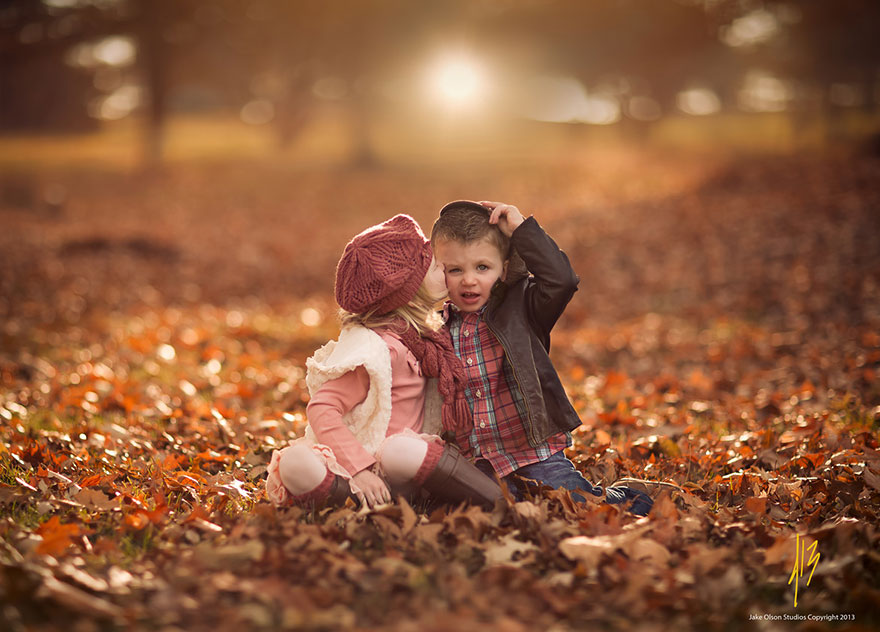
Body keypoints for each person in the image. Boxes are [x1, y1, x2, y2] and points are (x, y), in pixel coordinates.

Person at [431, 200, 653, 516]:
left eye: (482, 267)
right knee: (483, 512)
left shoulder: (522, 307)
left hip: (533, 453)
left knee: (575, 505)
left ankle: (632, 497)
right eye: (455, 270)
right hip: (477, 461)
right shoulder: (435, 329)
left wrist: (522, 231)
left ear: (503, 268)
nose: (469, 280)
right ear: (439, 273)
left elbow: (562, 281)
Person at [265, 214, 502, 510]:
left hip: (404, 465)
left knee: (400, 451)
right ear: (408, 291)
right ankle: (357, 500)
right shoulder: (376, 350)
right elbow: (323, 408)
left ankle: (497, 501)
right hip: (358, 463)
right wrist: (360, 470)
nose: (444, 265)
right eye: (433, 265)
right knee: (295, 462)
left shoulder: (427, 338)